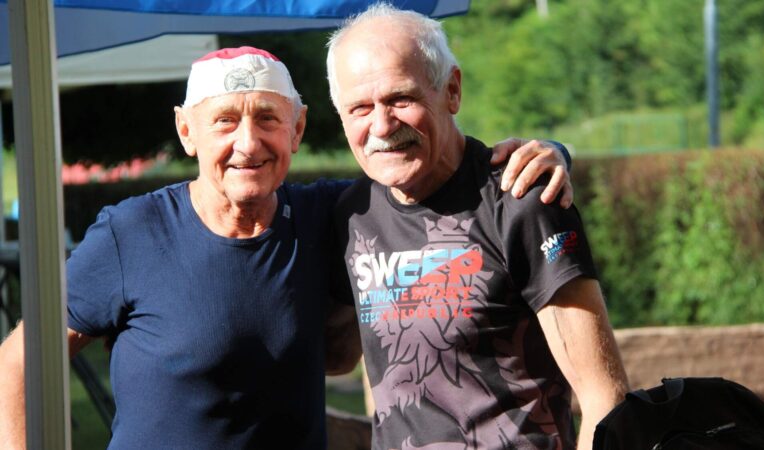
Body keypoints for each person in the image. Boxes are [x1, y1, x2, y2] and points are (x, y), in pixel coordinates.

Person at [0, 46, 571, 448]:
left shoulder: (334, 216)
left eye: (267, 120)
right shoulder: (131, 232)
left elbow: (432, 175)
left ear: (296, 131)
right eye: (224, 121)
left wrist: (550, 152)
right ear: (186, 131)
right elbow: (20, 362)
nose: (247, 143)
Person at [328, 4, 630, 450]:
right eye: (359, 108)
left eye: (400, 99)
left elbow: (606, 398)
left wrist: (557, 153)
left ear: (451, 90)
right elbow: (336, 357)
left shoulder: (522, 201)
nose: (381, 125)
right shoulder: (350, 215)